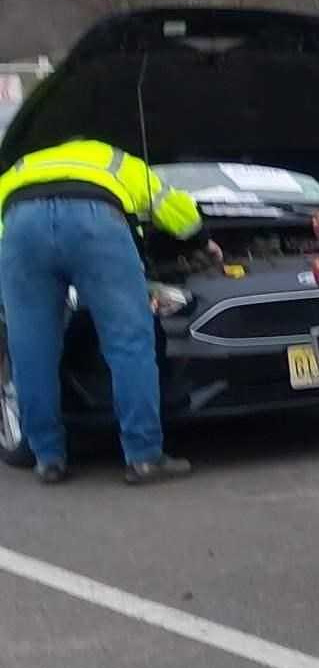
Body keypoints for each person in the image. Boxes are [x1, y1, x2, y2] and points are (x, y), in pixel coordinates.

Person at [0, 138, 206, 485]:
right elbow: (180, 215)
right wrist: (202, 241)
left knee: (31, 350)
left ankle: (47, 458)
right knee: (129, 342)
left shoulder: (22, 166)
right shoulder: (114, 159)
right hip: (95, 223)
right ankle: (143, 457)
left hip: (21, 227)